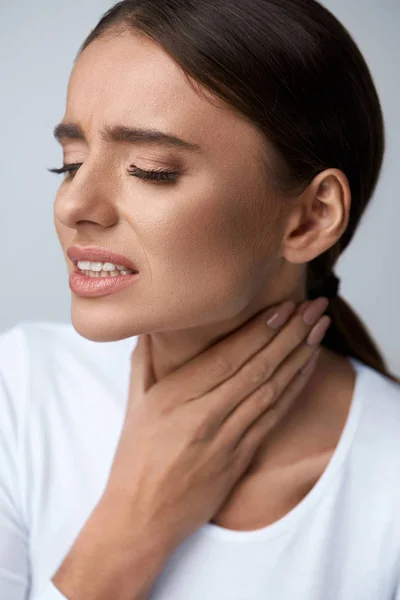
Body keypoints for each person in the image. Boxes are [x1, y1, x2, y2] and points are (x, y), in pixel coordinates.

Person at [1, 0, 399, 598]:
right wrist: (129, 531)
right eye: (71, 163)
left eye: (150, 170)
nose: (73, 205)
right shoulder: (20, 392)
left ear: (311, 219)